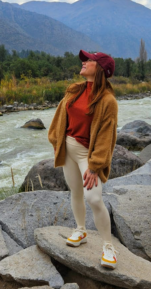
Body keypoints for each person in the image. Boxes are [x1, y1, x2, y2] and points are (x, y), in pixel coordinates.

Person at [48, 50, 119, 269]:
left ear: (100, 69)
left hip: (87, 155)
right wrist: (55, 140)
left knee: (95, 198)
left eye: (89, 60)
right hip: (67, 149)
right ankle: (81, 229)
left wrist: (96, 166)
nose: (84, 62)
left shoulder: (108, 101)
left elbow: (107, 137)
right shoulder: (75, 90)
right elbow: (60, 117)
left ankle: (108, 245)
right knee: (76, 193)